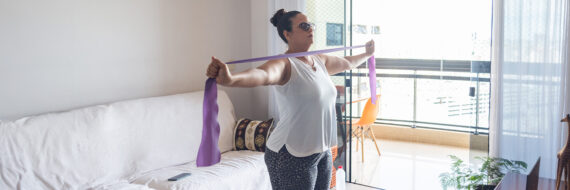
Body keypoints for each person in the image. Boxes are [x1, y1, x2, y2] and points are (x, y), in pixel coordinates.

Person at [205, 9, 375, 190]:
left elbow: (348, 62)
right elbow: (262, 74)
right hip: (290, 154)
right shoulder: (284, 64)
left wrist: (367, 54)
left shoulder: (319, 61)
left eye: (311, 25)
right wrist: (231, 79)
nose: (310, 29)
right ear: (287, 34)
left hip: (322, 150)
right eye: (304, 26)